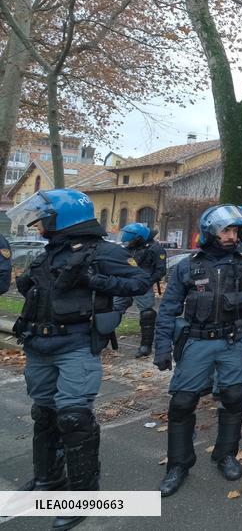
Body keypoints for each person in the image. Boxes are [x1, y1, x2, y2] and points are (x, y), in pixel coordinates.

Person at [9, 189, 149, 530]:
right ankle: (48, 480)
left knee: (73, 417)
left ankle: (83, 495)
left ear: (64, 217)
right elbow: (37, 292)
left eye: (44, 216)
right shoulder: (47, 253)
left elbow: (141, 281)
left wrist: (94, 280)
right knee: (44, 414)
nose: (38, 222)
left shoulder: (102, 251)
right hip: (39, 345)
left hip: (75, 345)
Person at [153, 205, 242, 497]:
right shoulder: (188, 266)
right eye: (226, 230)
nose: (232, 236)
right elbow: (167, 309)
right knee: (181, 403)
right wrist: (162, 347)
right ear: (210, 232)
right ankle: (178, 464)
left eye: (235, 231)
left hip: (233, 342)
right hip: (196, 342)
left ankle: (226, 454)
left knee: (234, 397)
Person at [114, 223, 167, 358]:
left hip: (143, 285)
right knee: (113, 309)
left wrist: (146, 282)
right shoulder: (130, 247)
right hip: (126, 283)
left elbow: (160, 271)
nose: (128, 242)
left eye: (130, 239)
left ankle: (146, 345)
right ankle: (102, 338)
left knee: (147, 313)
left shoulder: (156, 249)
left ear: (139, 238)